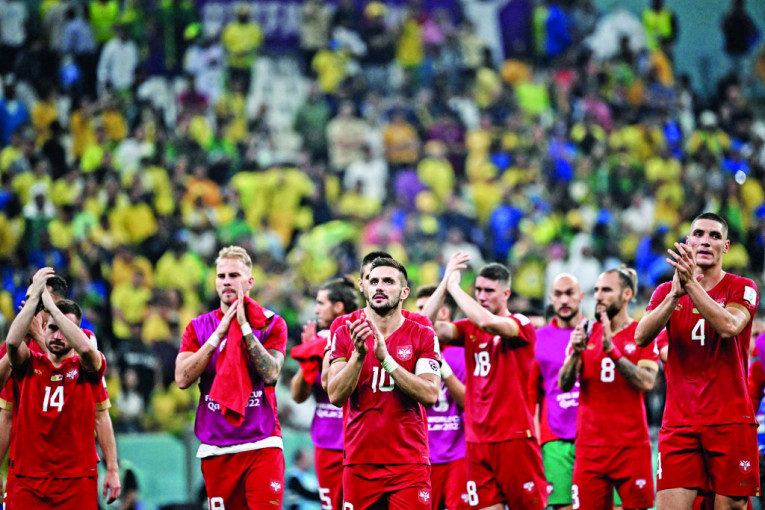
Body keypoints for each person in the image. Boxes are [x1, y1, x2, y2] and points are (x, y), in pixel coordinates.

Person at [635, 212, 760, 510]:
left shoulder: (743, 286)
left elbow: (729, 326)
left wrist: (691, 285)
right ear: (688, 242)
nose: (705, 241)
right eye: (699, 234)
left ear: (725, 246)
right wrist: (674, 295)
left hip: (730, 421)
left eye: (714, 236)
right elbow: (640, 337)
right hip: (680, 424)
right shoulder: (666, 292)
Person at [422, 251, 547, 510]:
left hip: (513, 437)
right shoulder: (468, 328)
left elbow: (487, 322)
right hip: (476, 440)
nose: (481, 296)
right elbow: (427, 327)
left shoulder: (520, 324)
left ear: (506, 294)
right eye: (478, 289)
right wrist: (445, 282)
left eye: (489, 290)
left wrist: (455, 288)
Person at [175, 245, 288, 509]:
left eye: (234, 275)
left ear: (249, 282)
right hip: (217, 447)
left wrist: (245, 329)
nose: (226, 281)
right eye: (221, 276)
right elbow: (182, 379)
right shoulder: (198, 328)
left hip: (262, 443)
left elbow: (271, 373)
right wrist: (219, 334)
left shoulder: (271, 323)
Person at [327, 257, 440, 509]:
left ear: (404, 292)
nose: (379, 286)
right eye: (374, 281)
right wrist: (358, 356)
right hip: (359, 464)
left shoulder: (422, 334)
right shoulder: (345, 333)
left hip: (409, 465)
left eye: (388, 281)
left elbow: (430, 394)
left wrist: (386, 360)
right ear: (364, 287)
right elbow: (335, 396)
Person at [0, 273, 120, 506]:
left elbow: (100, 413)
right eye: (28, 299)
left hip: (74, 472)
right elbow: (5, 416)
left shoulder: (84, 342)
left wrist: (113, 468)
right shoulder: (17, 349)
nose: (28, 305)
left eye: (37, 300)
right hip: (27, 471)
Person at [559, 267, 658, 510]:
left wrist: (613, 352)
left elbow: (647, 382)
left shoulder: (642, 334)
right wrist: (575, 354)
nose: (599, 296)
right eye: (596, 290)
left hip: (631, 447)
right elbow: (564, 385)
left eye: (606, 290)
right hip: (590, 449)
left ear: (626, 294)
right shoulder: (585, 332)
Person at [291, 277, 358, 510]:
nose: (316, 310)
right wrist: (308, 360)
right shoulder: (318, 341)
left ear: (338, 306)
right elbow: (298, 396)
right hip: (327, 441)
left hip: (358, 441)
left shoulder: (362, 337)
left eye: (321, 303)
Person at [529, 273, 584, 510]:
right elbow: (531, 396)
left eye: (569, 293)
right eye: (558, 294)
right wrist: (535, 441)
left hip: (595, 437)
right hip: (554, 438)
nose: (564, 300)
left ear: (581, 296)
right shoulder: (538, 339)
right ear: (550, 299)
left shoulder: (598, 332)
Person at [415, 285, 469, 510]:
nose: (418, 316)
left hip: (459, 456)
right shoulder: (409, 352)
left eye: (423, 308)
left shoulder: (464, 352)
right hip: (420, 458)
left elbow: (470, 403)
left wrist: (443, 368)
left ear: (443, 312)